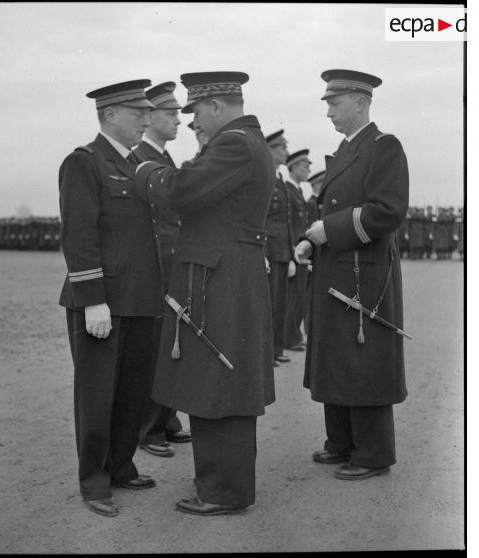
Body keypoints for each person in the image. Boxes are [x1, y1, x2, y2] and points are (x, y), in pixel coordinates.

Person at [133, 71, 275, 515]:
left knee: (219, 382)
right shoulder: (246, 142)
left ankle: (223, 492)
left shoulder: (234, 144)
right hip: (227, 273)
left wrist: (145, 171)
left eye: (196, 113)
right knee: (218, 381)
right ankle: (220, 487)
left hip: (221, 279)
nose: (194, 123)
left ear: (216, 106)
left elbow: (184, 189)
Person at [295, 69, 409, 481]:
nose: (328, 112)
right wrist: (314, 239)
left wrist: (331, 231)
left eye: (334, 102)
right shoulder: (346, 151)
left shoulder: (384, 147)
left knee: (363, 362)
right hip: (338, 270)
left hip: (365, 274)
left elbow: (388, 211)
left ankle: (374, 453)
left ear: (361, 102)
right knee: (338, 358)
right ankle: (341, 442)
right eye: (327, 103)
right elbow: (332, 214)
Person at [58, 79, 162, 517]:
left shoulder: (140, 163)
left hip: (141, 296)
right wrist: (93, 298)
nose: (146, 119)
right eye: (137, 112)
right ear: (110, 114)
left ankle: (120, 465)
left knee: (134, 390)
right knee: (98, 393)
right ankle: (95, 481)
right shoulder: (84, 162)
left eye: (147, 111)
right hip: (103, 299)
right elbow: (79, 235)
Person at [134, 82, 192, 458]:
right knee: (154, 348)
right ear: (150, 116)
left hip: (170, 265)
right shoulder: (140, 157)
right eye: (170, 114)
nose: (178, 121)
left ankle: (165, 418)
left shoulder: (164, 158)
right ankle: (149, 428)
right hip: (152, 269)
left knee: (170, 344)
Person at [264, 130, 296, 367]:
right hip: (270, 249)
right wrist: (263, 252)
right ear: (271, 150)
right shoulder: (266, 176)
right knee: (270, 303)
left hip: (283, 248)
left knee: (280, 303)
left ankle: (276, 349)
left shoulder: (280, 178)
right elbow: (262, 217)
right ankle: (267, 353)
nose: (286, 151)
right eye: (282, 148)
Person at [284, 149, 311, 352]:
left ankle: (295, 334)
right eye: (304, 166)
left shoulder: (299, 191)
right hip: (293, 249)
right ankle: (290, 336)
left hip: (300, 250)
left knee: (300, 294)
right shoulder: (288, 189)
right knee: (292, 296)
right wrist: (293, 248)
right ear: (293, 167)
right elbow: (289, 223)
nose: (308, 169)